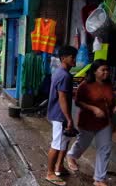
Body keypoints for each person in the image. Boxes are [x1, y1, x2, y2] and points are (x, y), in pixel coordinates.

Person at [66, 60, 116, 186]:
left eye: (107, 70)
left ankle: (99, 178)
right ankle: (71, 156)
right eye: (103, 70)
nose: (106, 72)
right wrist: (93, 108)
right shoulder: (85, 85)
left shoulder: (109, 84)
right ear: (95, 71)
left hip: (105, 122)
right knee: (82, 143)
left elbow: (111, 102)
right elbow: (78, 102)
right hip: (88, 121)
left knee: (105, 149)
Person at [45, 46, 78, 186]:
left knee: (64, 140)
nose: (74, 60)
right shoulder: (64, 75)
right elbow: (62, 98)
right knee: (57, 144)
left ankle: (59, 166)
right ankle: (50, 173)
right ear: (63, 58)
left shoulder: (59, 72)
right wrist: (69, 118)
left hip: (58, 113)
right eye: (72, 57)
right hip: (59, 114)